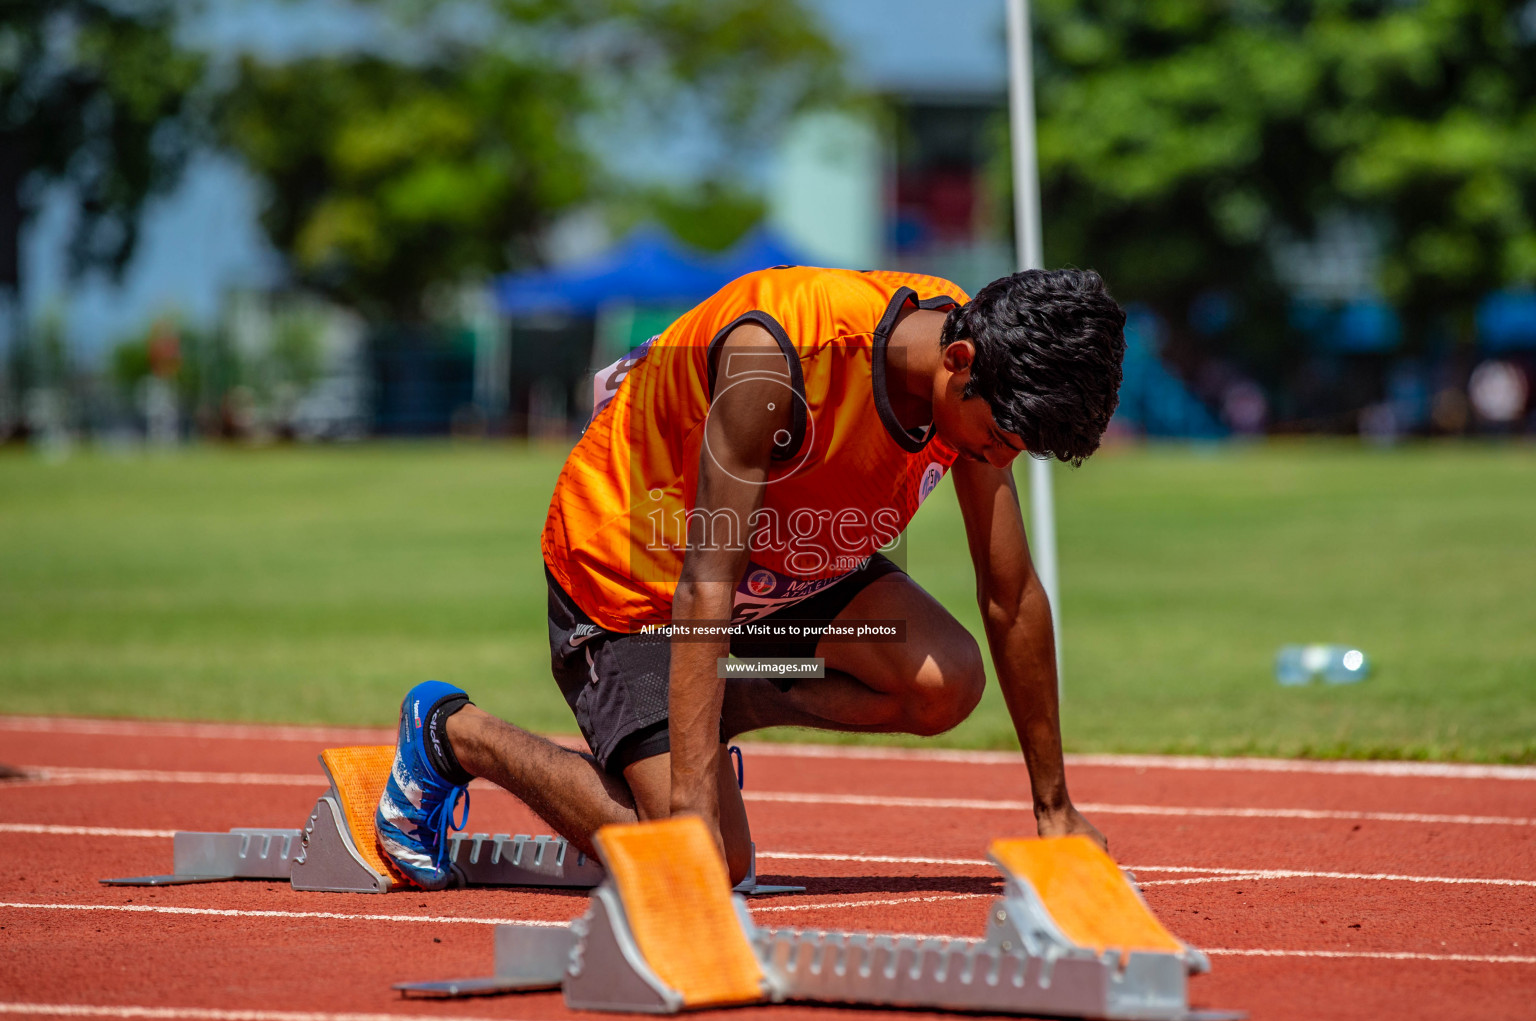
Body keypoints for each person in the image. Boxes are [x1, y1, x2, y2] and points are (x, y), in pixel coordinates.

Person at [375, 265, 1127, 889]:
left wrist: (1054, 807)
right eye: (999, 439)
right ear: (957, 364)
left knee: (945, 679)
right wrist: (695, 804)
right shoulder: (776, 362)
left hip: (781, 572)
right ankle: (456, 735)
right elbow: (704, 582)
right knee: (706, 861)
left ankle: (707, 706)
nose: (998, 460)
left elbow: (1011, 592)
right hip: (639, 579)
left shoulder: (971, 354)